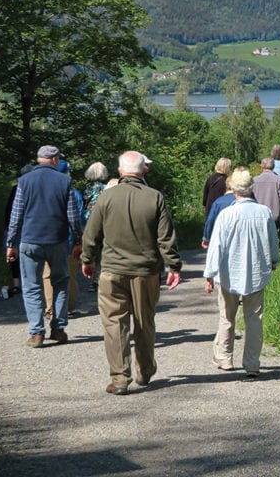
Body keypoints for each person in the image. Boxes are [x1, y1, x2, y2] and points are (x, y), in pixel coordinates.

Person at [80, 150, 182, 395]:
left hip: (112, 271)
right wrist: (174, 266)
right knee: (145, 322)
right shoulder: (155, 197)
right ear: (143, 170)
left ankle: (119, 379)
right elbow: (165, 238)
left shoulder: (106, 197)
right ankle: (145, 371)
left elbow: (91, 234)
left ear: (120, 171)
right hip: (146, 272)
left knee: (114, 324)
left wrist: (87, 260)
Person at [203, 168, 280, 379]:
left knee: (227, 317)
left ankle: (225, 359)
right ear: (250, 189)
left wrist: (209, 273)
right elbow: (273, 241)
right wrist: (274, 261)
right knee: (254, 320)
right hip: (256, 273)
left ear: (233, 190)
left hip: (227, 274)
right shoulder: (264, 212)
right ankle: (252, 364)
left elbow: (216, 247)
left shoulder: (226, 214)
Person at [5, 145, 82, 348]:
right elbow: (73, 216)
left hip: (29, 240)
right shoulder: (65, 181)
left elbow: (16, 215)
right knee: (60, 282)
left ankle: (37, 332)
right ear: (55, 160)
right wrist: (78, 240)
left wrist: (10, 243)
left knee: (31, 286)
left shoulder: (24, 181)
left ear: (38, 159)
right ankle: (58, 329)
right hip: (57, 240)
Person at [43, 158, 84, 320]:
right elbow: (78, 219)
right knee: (69, 274)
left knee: (47, 275)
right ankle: (69, 307)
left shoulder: (45, 192)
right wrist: (79, 241)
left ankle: (50, 309)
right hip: (68, 241)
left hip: (47, 239)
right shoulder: (75, 194)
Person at [1, 163, 34, 299]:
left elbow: (9, 210)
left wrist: (8, 229)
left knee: (14, 255)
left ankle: (16, 284)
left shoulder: (16, 188)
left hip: (15, 227)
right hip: (31, 228)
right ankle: (31, 284)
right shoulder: (35, 189)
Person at [81, 161, 110, 292]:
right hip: (103, 221)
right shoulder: (107, 188)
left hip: (88, 222)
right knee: (103, 252)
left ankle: (92, 278)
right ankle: (100, 279)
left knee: (92, 250)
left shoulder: (86, 188)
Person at [204, 167, 244, 248]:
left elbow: (210, 220)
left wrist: (206, 238)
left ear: (226, 186)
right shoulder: (245, 200)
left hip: (222, 237)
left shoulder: (218, 202)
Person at [252, 156, 280, 236]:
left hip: (259, 216)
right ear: (273, 166)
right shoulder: (279, 180)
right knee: (277, 241)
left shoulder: (254, 180)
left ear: (262, 166)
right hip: (275, 216)